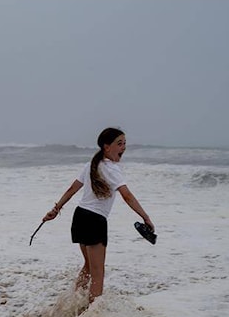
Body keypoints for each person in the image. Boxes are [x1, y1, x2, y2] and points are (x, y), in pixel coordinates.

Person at [41, 127, 154, 303]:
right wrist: (145, 217)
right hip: (94, 221)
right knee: (98, 274)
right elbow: (127, 196)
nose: (123, 147)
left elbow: (72, 189)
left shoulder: (91, 165)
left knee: (88, 267)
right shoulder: (112, 169)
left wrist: (55, 209)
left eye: (124, 143)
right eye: (119, 143)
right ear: (106, 147)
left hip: (80, 217)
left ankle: (74, 302)